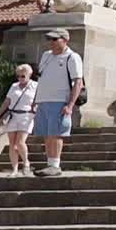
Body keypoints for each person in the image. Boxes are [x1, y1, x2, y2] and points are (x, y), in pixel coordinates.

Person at [32, 29, 84, 176]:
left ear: (65, 40)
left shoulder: (72, 57)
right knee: (47, 134)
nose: (51, 43)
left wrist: (70, 105)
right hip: (43, 100)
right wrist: (35, 99)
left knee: (55, 134)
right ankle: (50, 164)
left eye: (55, 40)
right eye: (50, 40)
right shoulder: (46, 56)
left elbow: (78, 82)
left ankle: (55, 165)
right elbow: (40, 79)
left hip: (60, 100)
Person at [0, 64, 37, 176]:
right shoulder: (14, 86)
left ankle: (26, 163)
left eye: (23, 76)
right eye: (18, 76)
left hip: (27, 116)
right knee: (12, 144)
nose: (20, 78)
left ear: (29, 74)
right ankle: (14, 169)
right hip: (13, 115)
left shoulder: (36, 86)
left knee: (20, 142)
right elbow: (7, 101)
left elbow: (39, 101)